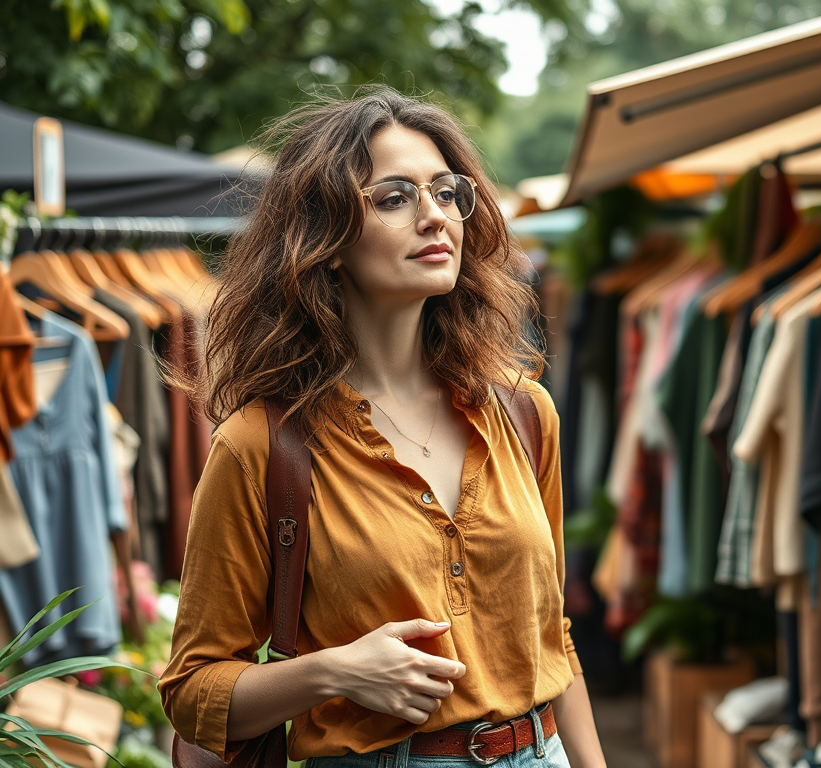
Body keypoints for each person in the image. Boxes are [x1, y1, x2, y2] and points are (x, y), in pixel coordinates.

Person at [159, 87, 607, 768]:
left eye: (447, 192)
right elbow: (193, 691)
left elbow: (553, 638)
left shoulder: (522, 413)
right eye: (394, 198)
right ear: (328, 242)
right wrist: (333, 672)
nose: (435, 217)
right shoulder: (264, 446)